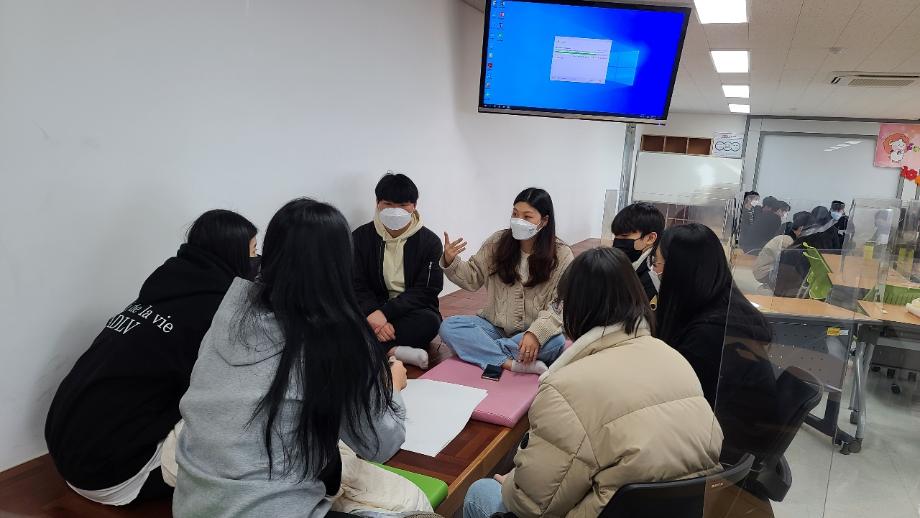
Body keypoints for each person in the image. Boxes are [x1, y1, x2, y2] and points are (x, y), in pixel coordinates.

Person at [174, 198, 407, 517]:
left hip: (190, 503)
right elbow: (381, 445)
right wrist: (389, 387)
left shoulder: (232, 307)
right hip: (270, 507)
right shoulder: (337, 336)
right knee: (413, 504)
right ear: (341, 265)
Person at [462, 247, 723, 518]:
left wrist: (512, 486)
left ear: (575, 308)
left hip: (614, 510)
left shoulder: (565, 389)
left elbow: (531, 505)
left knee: (481, 492)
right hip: (687, 510)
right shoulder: (675, 359)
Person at [44, 210, 258, 506]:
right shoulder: (215, 314)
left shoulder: (164, 287)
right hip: (111, 476)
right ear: (232, 255)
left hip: (65, 453)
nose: (256, 262)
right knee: (247, 416)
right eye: (253, 252)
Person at [654, 223, 777, 463]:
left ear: (678, 271)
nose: (656, 271)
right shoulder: (723, 307)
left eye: (658, 263)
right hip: (730, 436)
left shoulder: (710, 334)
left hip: (724, 451)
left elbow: (682, 405)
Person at [439, 188, 573, 375]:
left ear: (544, 221)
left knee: (555, 341)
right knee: (449, 327)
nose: (518, 220)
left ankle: (484, 350)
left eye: (527, 217)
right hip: (495, 327)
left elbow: (560, 305)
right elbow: (472, 277)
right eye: (515, 214)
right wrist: (450, 261)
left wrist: (535, 333)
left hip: (532, 333)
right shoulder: (497, 243)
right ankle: (512, 363)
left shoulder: (562, 254)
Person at [353, 173, 444, 369]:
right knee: (339, 317)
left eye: (403, 205)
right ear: (377, 203)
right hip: (370, 310)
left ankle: (372, 346)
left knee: (429, 322)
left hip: (410, 311)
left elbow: (426, 291)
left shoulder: (430, 242)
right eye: (388, 204)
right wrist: (372, 313)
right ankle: (392, 350)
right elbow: (356, 283)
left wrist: (384, 314)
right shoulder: (359, 237)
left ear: (414, 206)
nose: (395, 211)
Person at [610, 201, 665, 303]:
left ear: (650, 238)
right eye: (616, 236)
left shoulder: (653, 280)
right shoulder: (618, 263)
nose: (617, 241)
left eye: (625, 236)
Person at [754, 211, 814, 288]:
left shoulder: (786, 236)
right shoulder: (788, 241)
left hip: (762, 270)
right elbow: (786, 265)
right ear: (801, 228)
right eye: (810, 229)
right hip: (765, 274)